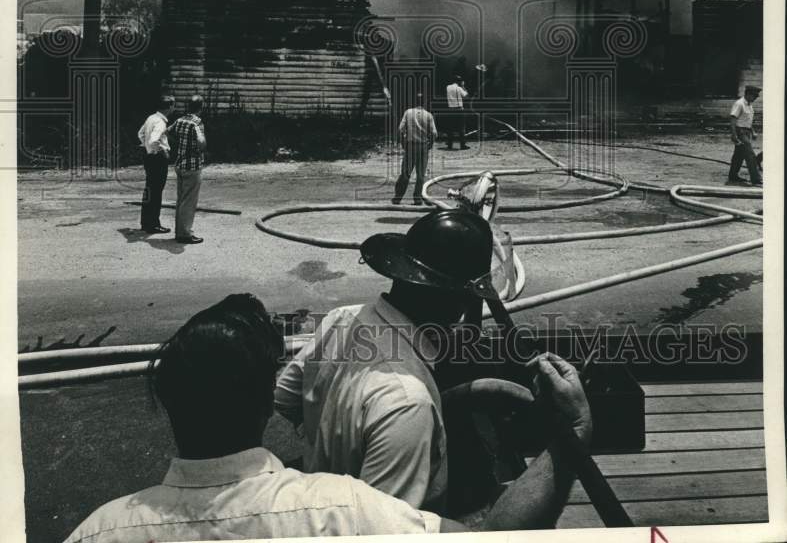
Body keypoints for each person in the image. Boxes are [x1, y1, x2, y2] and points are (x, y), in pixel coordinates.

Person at [64, 292, 590, 542]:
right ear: (259, 391)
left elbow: (295, 399)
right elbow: (500, 533)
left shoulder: (98, 530)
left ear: (170, 398)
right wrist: (572, 436)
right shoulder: (346, 512)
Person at [275, 209, 591, 520]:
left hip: (326, 500)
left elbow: (285, 400)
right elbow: (385, 532)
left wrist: (334, 434)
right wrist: (578, 428)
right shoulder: (408, 404)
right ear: (461, 301)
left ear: (401, 272)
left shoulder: (340, 320)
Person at [137, 95, 175, 234]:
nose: (174, 108)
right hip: (157, 159)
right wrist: (163, 151)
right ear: (169, 107)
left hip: (148, 157)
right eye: (173, 105)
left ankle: (145, 222)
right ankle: (154, 224)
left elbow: (140, 134)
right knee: (157, 191)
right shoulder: (160, 122)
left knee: (149, 189)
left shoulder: (151, 118)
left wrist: (146, 147)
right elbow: (154, 140)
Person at [172, 95, 207, 244]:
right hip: (192, 166)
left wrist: (180, 145)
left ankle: (179, 231)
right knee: (189, 201)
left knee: (181, 199)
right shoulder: (197, 122)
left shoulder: (180, 120)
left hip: (180, 164)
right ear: (201, 107)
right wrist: (202, 146)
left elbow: (167, 131)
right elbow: (200, 142)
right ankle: (185, 234)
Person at [392, 92, 437, 206]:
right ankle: (417, 199)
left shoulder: (408, 113)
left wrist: (403, 143)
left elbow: (400, 129)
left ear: (414, 102)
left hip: (411, 145)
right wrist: (430, 144)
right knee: (421, 175)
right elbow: (434, 133)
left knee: (405, 173)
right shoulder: (428, 115)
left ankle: (398, 198)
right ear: (424, 103)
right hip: (423, 146)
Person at [727, 84, 763, 186]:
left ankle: (733, 176)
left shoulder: (749, 105)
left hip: (746, 132)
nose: (755, 98)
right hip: (740, 132)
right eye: (754, 96)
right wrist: (734, 135)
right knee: (750, 155)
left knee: (739, 155)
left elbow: (746, 121)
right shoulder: (739, 104)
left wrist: (753, 131)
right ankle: (756, 179)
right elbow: (733, 120)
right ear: (748, 94)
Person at [445, 75, 469, 150]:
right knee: (461, 128)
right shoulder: (459, 88)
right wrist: (463, 86)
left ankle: (450, 145)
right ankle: (462, 145)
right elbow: (466, 96)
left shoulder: (448, 87)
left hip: (450, 109)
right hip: (459, 109)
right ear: (459, 82)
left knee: (450, 128)